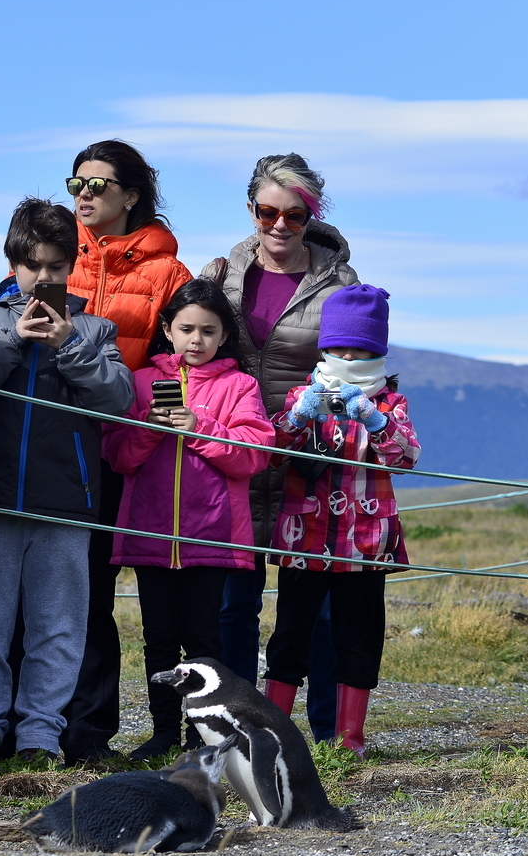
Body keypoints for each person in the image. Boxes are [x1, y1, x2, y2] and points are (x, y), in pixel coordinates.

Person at [0, 198, 132, 767]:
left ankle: (39, 736)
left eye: (56, 266)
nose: (45, 278)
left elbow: (119, 401)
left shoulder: (96, 330)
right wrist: (11, 344)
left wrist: (68, 347)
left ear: (71, 264)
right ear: (13, 263)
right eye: (34, 266)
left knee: (57, 630)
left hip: (64, 505)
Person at [200, 154, 359, 740]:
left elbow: (357, 372)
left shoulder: (342, 286)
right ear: (251, 210)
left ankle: (322, 734)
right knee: (231, 606)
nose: (280, 225)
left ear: (311, 214)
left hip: (307, 461)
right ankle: (237, 728)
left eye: (295, 214)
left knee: (310, 611)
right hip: (235, 456)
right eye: (268, 211)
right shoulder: (221, 272)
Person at [60, 140, 192, 765]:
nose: (84, 195)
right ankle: (65, 730)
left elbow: (176, 362)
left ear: (132, 195)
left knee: (133, 598)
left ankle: (114, 731)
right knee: (74, 593)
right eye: (76, 183)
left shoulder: (168, 274)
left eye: (99, 185)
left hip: (132, 455)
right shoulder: (57, 257)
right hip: (60, 449)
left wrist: (156, 424)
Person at [102, 280, 273, 760]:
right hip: (149, 537)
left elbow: (253, 456)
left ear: (224, 336)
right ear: (166, 330)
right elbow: (117, 456)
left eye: (208, 331)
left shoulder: (240, 386)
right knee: (158, 640)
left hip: (213, 538)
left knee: (204, 641)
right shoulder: (138, 383)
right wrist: (149, 430)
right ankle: (162, 733)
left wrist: (200, 427)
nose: (196, 340)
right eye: (187, 329)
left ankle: (203, 736)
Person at [263, 284, 419, 756]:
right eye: (339, 347)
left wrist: (374, 419)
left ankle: (349, 737)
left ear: (377, 351)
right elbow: (270, 452)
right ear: (324, 348)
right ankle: (276, 735)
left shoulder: (391, 404)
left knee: (359, 638)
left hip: (365, 543)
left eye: (361, 349)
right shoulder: (301, 395)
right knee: (289, 636)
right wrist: (295, 415)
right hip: (305, 539)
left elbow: (407, 457)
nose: (349, 356)